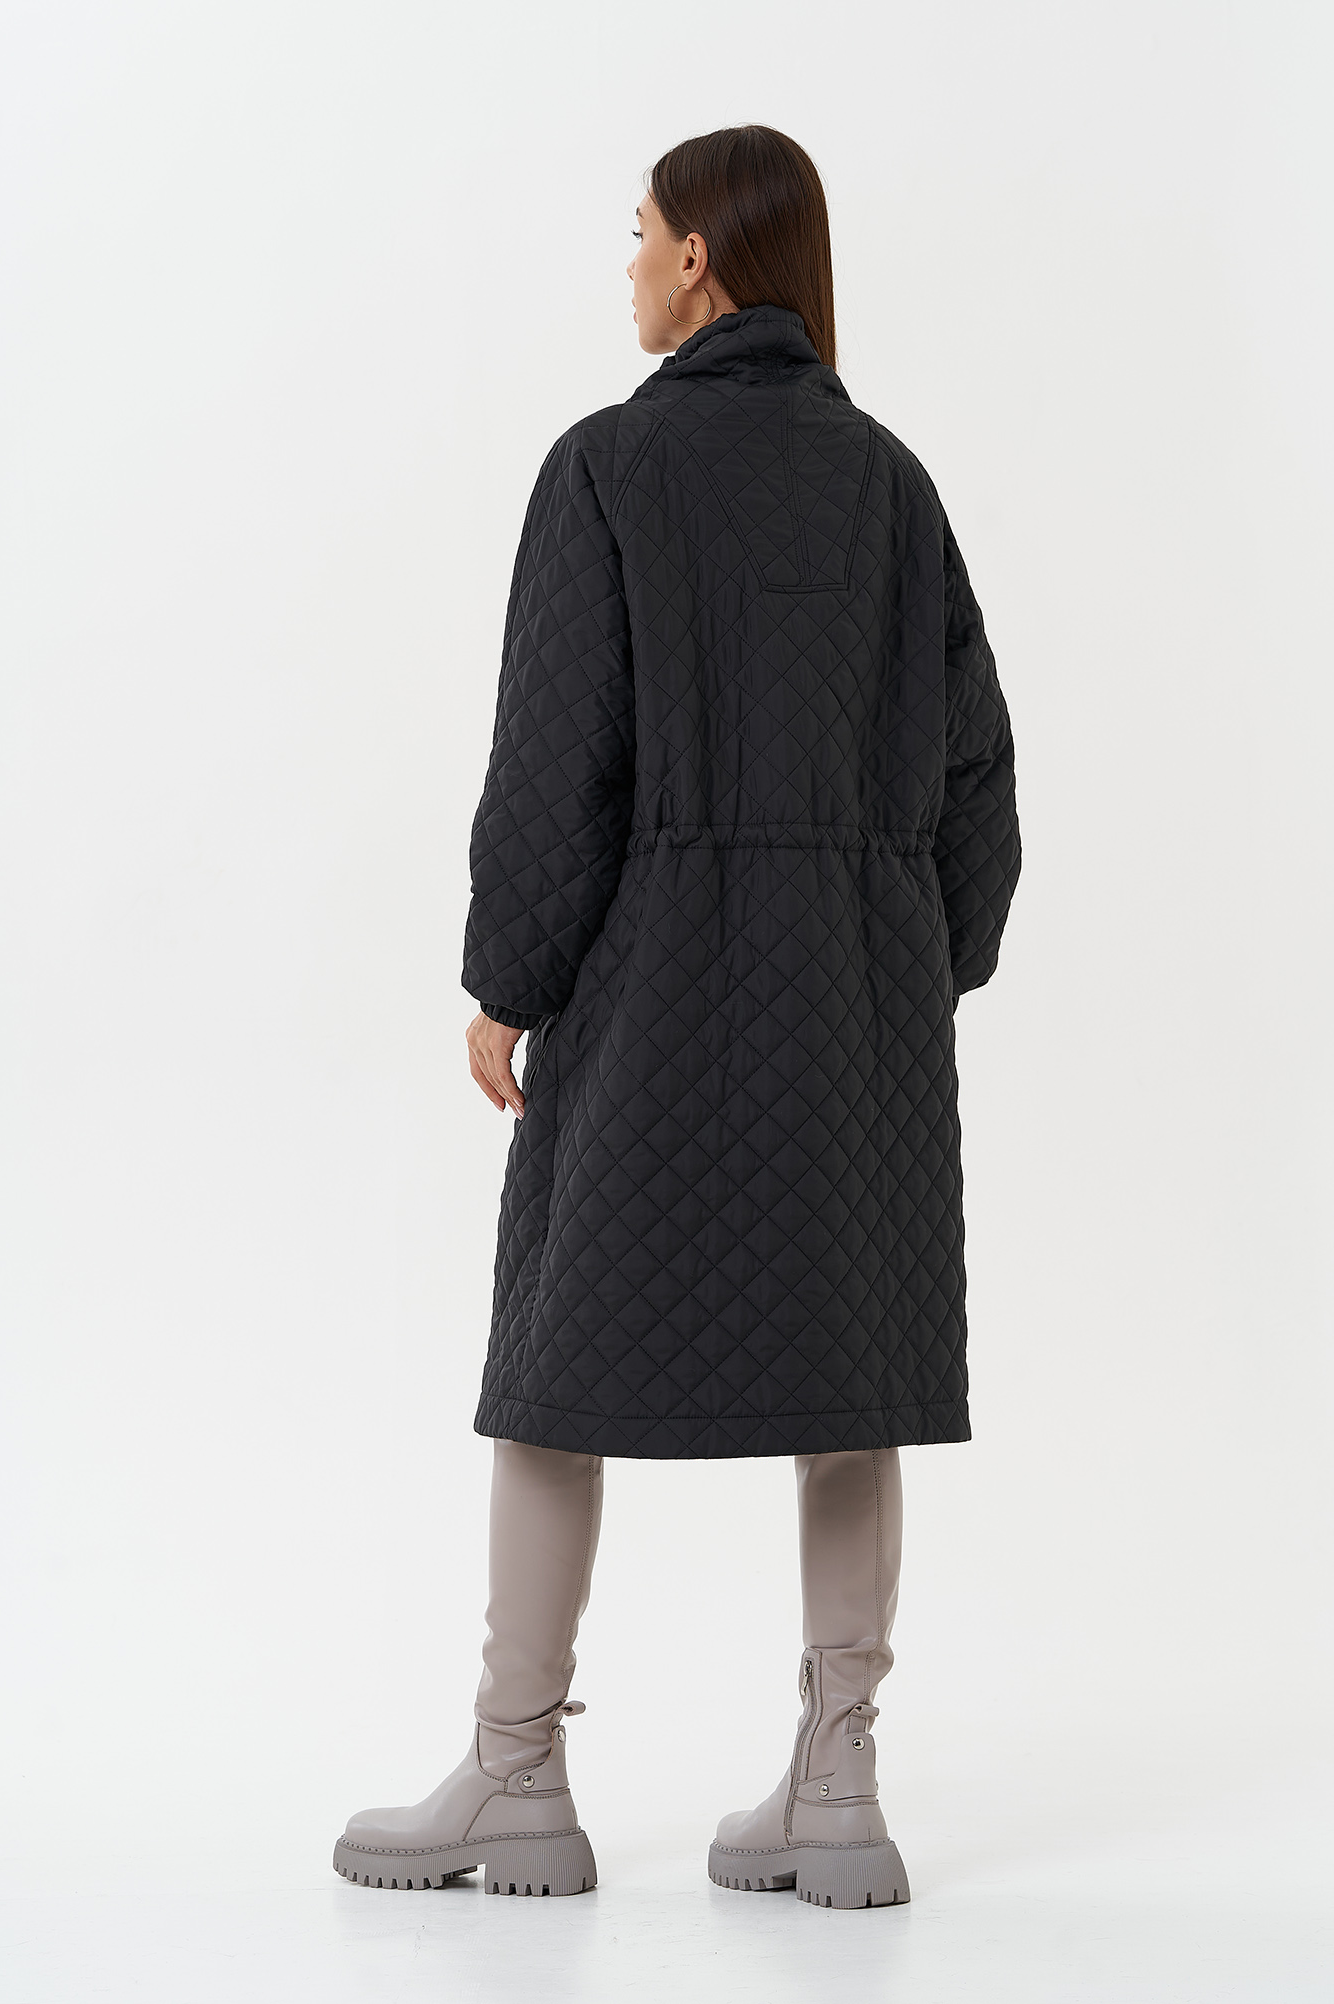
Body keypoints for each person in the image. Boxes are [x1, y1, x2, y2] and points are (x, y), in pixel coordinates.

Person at [333, 124, 1021, 1912]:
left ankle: (515, 1777)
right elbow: (978, 768)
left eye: (640, 233)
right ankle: (840, 1785)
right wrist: (914, 962)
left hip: (651, 980)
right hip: (860, 1000)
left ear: (702, 256)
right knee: (853, 1378)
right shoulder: (893, 485)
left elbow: (555, 756)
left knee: (552, 1367)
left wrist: (510, 978)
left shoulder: (607, 469)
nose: (628, 263)